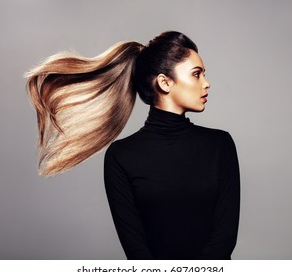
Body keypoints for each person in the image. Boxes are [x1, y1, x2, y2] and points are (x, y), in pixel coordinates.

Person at [25, 31, 240, 260]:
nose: (206, 84)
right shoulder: (121, 157)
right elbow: (136, 250)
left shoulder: (220, 145)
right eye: (197, 74)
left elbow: (225, 236)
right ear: (164, 83)